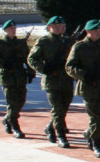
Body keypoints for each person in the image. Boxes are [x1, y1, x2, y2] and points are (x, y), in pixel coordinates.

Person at [27, 16, 75, 148]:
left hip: (66, 80)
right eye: (57, 26)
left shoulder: (68, 41)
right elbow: (32, 59)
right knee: (58, 108)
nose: (61, 28)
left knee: (63, 108)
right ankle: (61, 135)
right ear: (49, 27)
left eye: (62, 25)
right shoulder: (44, 41)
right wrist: (44, 69)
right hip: (52, 81)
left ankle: (50, 127)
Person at [65, 20, 100, 158]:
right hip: (89, 86)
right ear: (88, 32)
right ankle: (97, 143)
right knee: (95, 117)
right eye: (95, 30)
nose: (98, 32)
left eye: (99, 30)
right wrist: (85, 75)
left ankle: (89, 133)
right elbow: (69, 67)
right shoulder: (80, 47)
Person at [0, 20, 33, 139]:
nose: (13, 30)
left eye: (14, 28)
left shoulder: (21, 43)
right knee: (12, 103)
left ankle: (8, 119)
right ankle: (15, 126)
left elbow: (29, 59)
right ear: (5, 30)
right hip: (7, 77)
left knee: (21, 101)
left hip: (20, 76)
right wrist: (3, 63)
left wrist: (31, 72)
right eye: (10, 28)